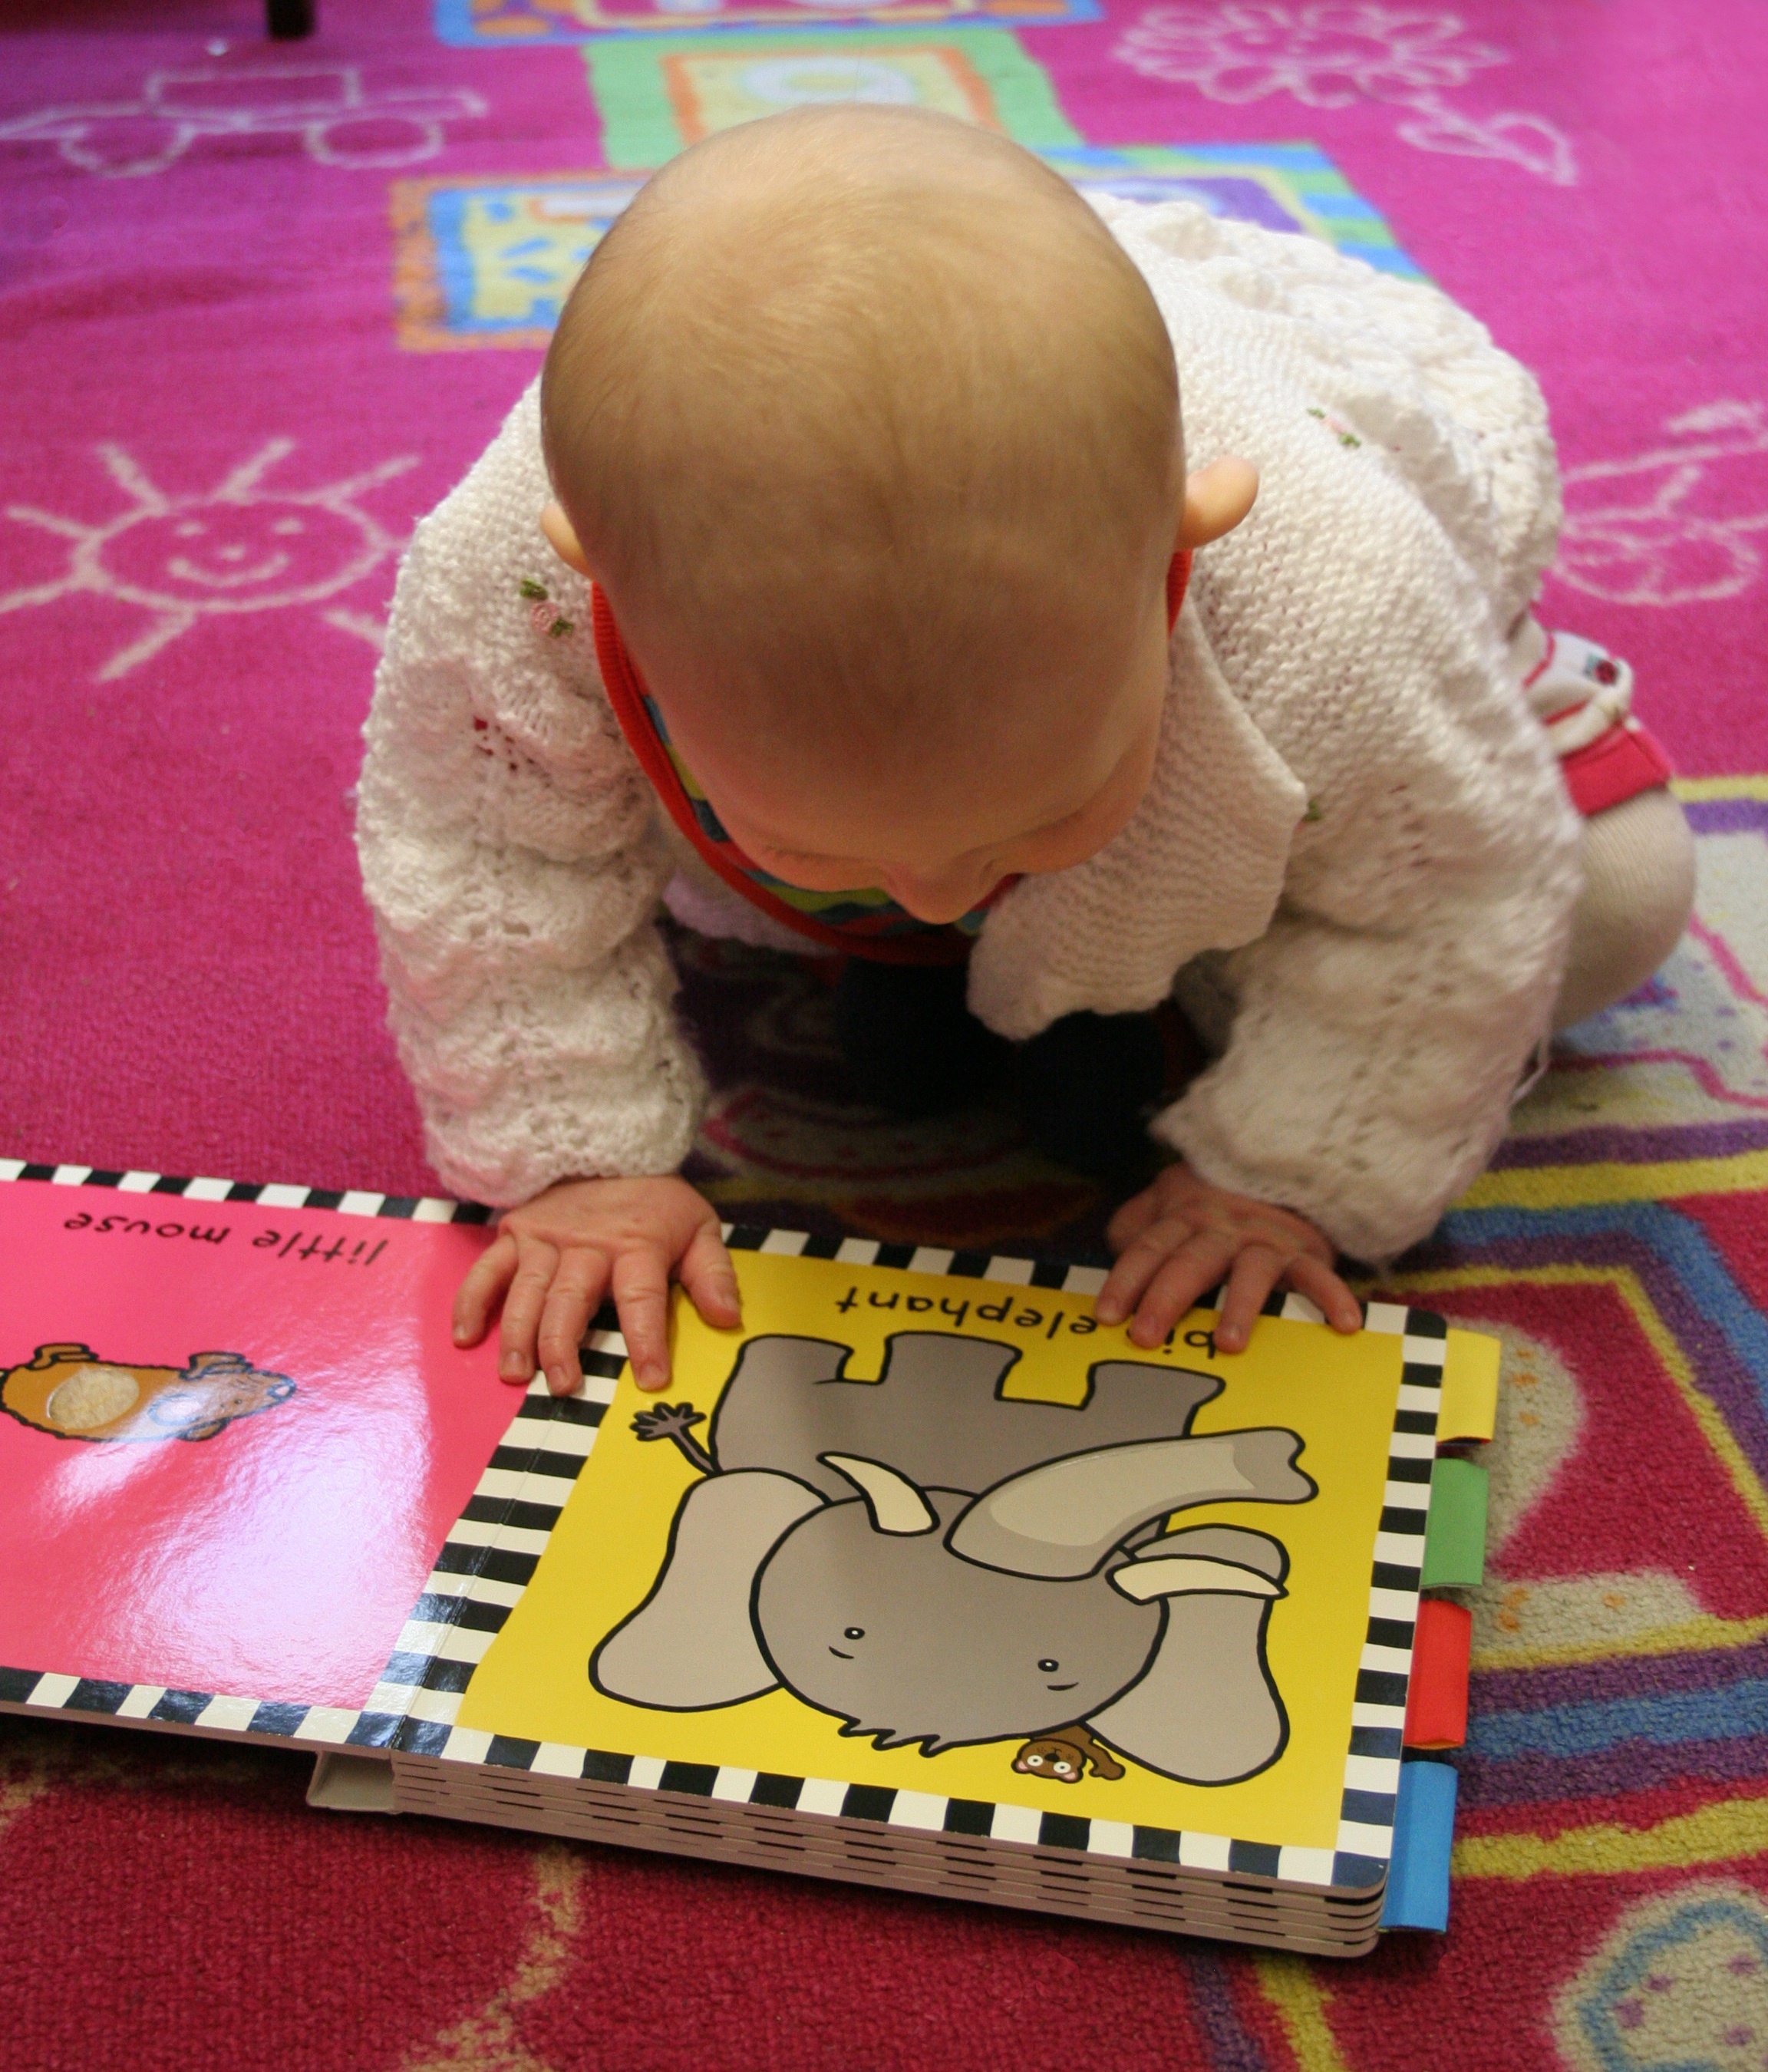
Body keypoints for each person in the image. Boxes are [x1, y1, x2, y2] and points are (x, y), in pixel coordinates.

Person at [355, 105, 1694, 1396]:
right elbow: (481, 852)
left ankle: (1157, 968)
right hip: (864, 807)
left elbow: (1456, 893)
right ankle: (1013, 930)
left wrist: (1292, 1172)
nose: (933, 889)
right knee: (697, 848)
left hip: (1328, 737)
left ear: (1176, 566)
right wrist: (576, 1160)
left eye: (1031, 826)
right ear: (607, 595)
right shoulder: (511, 586)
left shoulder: (1340, 598)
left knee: (1617, 893)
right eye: (832, 839)